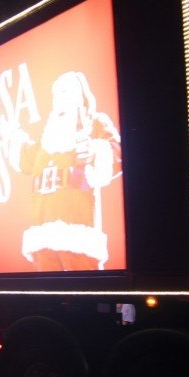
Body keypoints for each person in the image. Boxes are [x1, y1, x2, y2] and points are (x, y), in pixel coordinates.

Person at [15, 71, 122, 271]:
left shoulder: (93, 123)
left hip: (77, 229)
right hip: (42, 231)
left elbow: (117, 152)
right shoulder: (47, 134)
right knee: (47, 292)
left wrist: (95, 150)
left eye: (65, 91)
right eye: (56, 93)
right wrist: (15, 139)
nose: (60, 97)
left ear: (79, 95)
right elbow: (28, 160)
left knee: (84, 285)